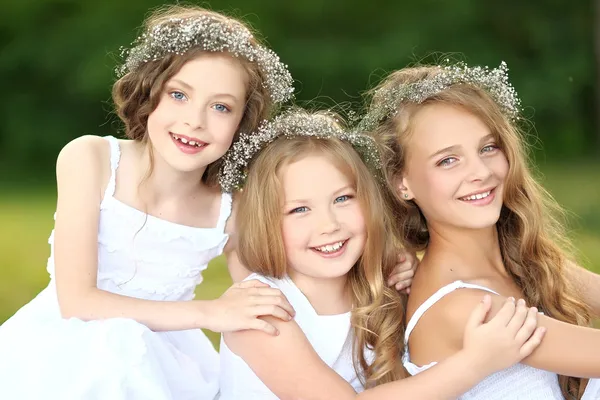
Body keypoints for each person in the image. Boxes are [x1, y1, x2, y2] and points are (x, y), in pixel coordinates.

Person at [0, 5, 296, 399]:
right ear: (149, 92)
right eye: (179, 95)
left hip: (166, 360)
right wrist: (210, 312)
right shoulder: (91, 159)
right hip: (64, 353)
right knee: (116, 357)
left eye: (220, 107)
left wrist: (385, 267)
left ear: (242, 124)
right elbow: (77, 301)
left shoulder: (231, 211)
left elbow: (273, 296)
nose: (195, 120)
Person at [218, 109, 546, 399]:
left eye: (343, 199)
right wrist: (475, 363)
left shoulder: (379, 283)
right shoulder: (260, 313)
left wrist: (409, 284)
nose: (329, 224)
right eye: (300, 209)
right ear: (266, 222)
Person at [364, 61, 600, 399]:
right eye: (448, 160)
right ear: (402, 184)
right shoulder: (461, 307)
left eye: (488, 148)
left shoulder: (528, 263)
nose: (480, 172)